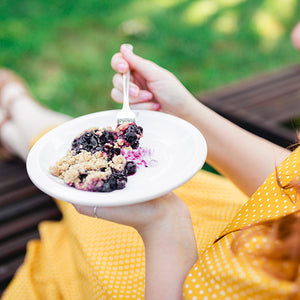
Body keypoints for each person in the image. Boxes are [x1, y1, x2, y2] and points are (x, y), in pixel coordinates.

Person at [1, 21, 300, 300]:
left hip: (168, 277)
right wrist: (183, 112)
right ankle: (19, 123)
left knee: (100, 233)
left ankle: (15, 117)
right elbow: (290, 184)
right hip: (258, 220)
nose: (296, 35)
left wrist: (164, 224)